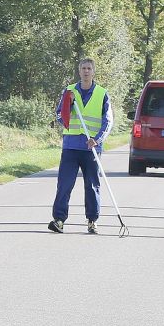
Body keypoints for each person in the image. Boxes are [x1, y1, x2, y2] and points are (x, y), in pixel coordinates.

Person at [47, 57, 113, 235]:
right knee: (64, 185)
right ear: (79, 71)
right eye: (83, 68)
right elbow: (60, 114)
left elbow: (108, 121)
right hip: (71, 147)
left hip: (91, 148)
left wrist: (97, 139)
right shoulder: (69, 91)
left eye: (89, 68)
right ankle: (59, 220)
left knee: (92, 186)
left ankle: (92, 220)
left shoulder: (102, 93)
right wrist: (67, 113)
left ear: (93, 71)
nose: (86, 71)